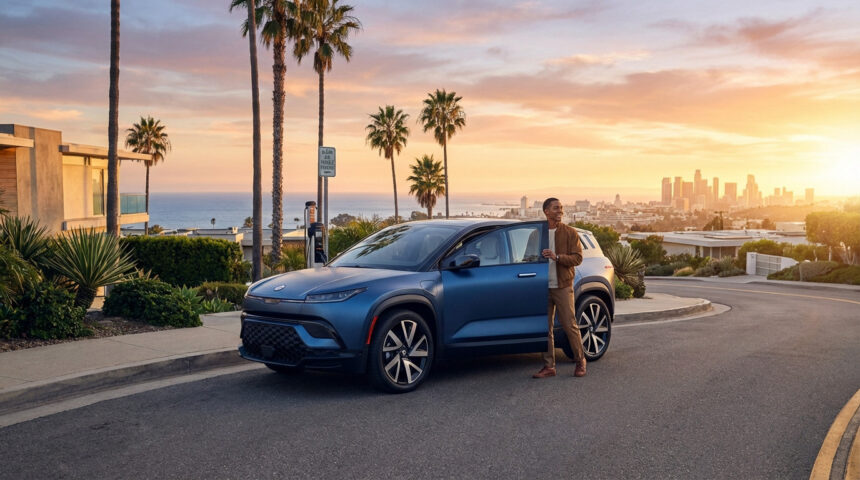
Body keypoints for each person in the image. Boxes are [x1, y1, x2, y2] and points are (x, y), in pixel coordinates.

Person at [533, 197, 586, 379]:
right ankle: (549, 367)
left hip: (562, 286)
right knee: (544, 329)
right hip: (542, 287)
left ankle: (580, 361)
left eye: (561, 208)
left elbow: (578, 258)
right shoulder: (537, 234)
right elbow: (528, 256)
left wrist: (557, 257)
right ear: (546, 211)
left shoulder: (570, 232)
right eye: (556, 208)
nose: (560, 211)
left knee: (569, 325)